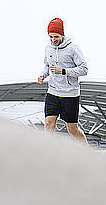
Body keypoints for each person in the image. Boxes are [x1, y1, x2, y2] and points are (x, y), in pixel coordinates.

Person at [37, 17, 88, 145]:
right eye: (51, 37)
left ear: (62, 35)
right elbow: (48, 66)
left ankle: (88, 152)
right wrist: (43, 75)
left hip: (70, 94)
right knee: (48, 125)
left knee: (72, 130)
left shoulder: (73, 48)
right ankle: (46, 156)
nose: (53, 40)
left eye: (56, 37)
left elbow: (84, 69)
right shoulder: (48, 48)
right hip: (53, 92)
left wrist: (64, 71)